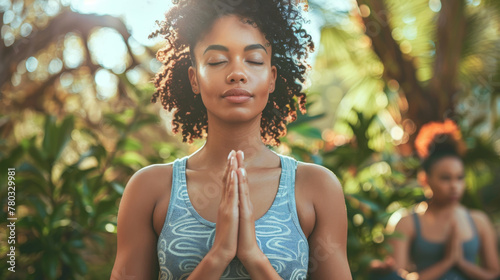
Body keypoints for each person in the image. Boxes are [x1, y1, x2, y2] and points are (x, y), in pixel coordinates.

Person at [110, 0, 351, 279]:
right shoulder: (149, 189)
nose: (237, 73)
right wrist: (218, 255)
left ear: (271, 78)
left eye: (254, 60)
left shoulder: (316, 188)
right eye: (217, 61)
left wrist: (253, 257)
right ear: (194, 79)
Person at [386, 119, 500, 280]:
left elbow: (494, 274)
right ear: (425, 179)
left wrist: (461, 263)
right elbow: (395, 277)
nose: (454, 186)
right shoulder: (406, 222)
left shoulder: (478, 221)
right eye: (446, 178)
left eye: (459, 178)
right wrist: (447, 262)